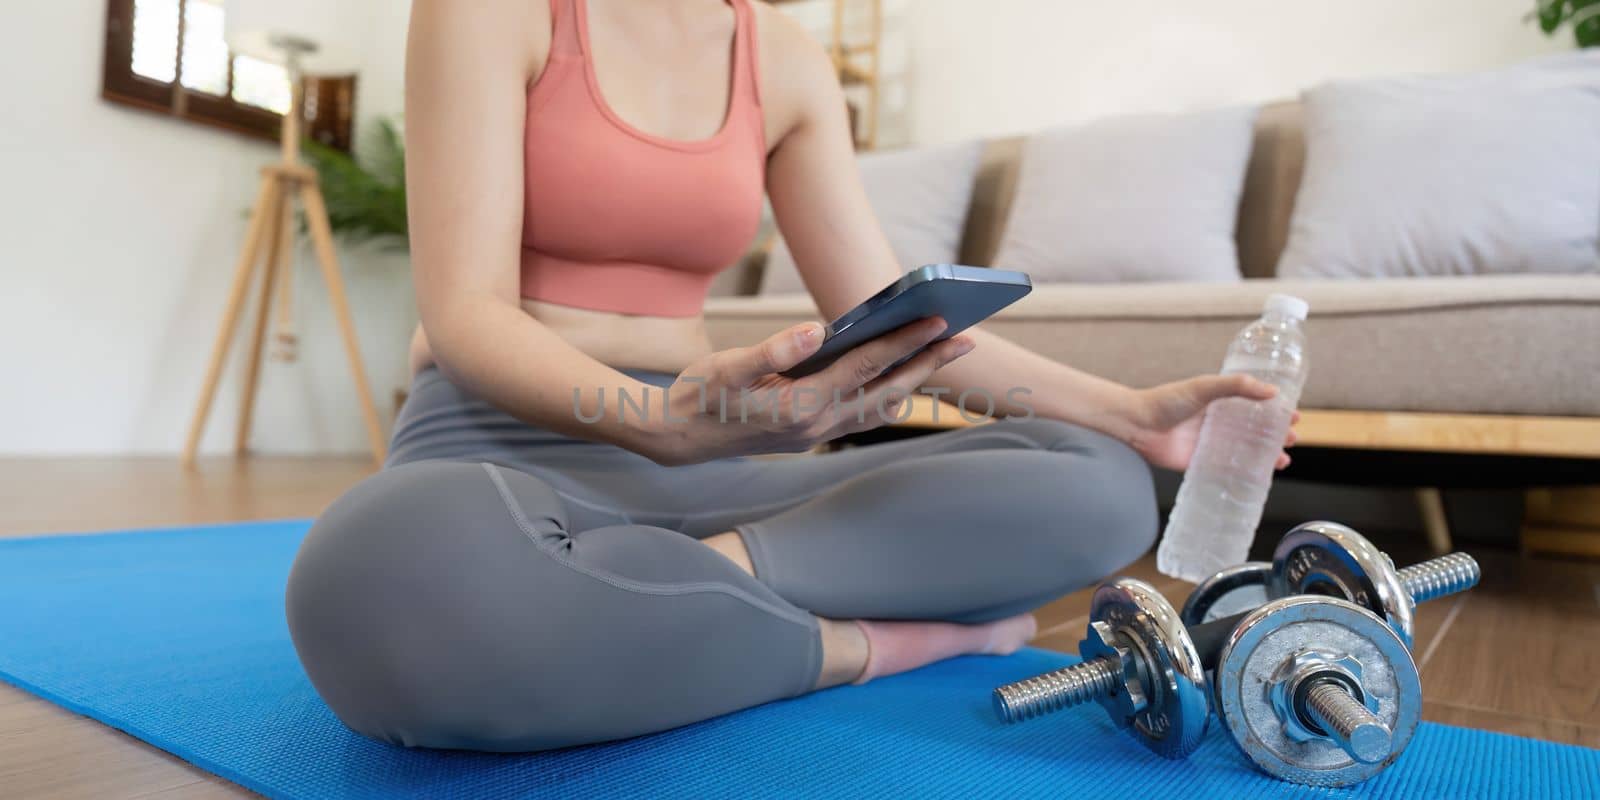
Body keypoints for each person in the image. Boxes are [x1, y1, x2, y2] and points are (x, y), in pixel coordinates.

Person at [284, 0, 1296, 753]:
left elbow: (910, 319)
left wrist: (1132, 415)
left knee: (1098, 483)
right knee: (383, 584)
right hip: (502, 453)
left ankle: (659, 597)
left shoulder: (785, 61)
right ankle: (878, 643)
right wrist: (655, 420)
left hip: (721, 468)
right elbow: (464, 313)